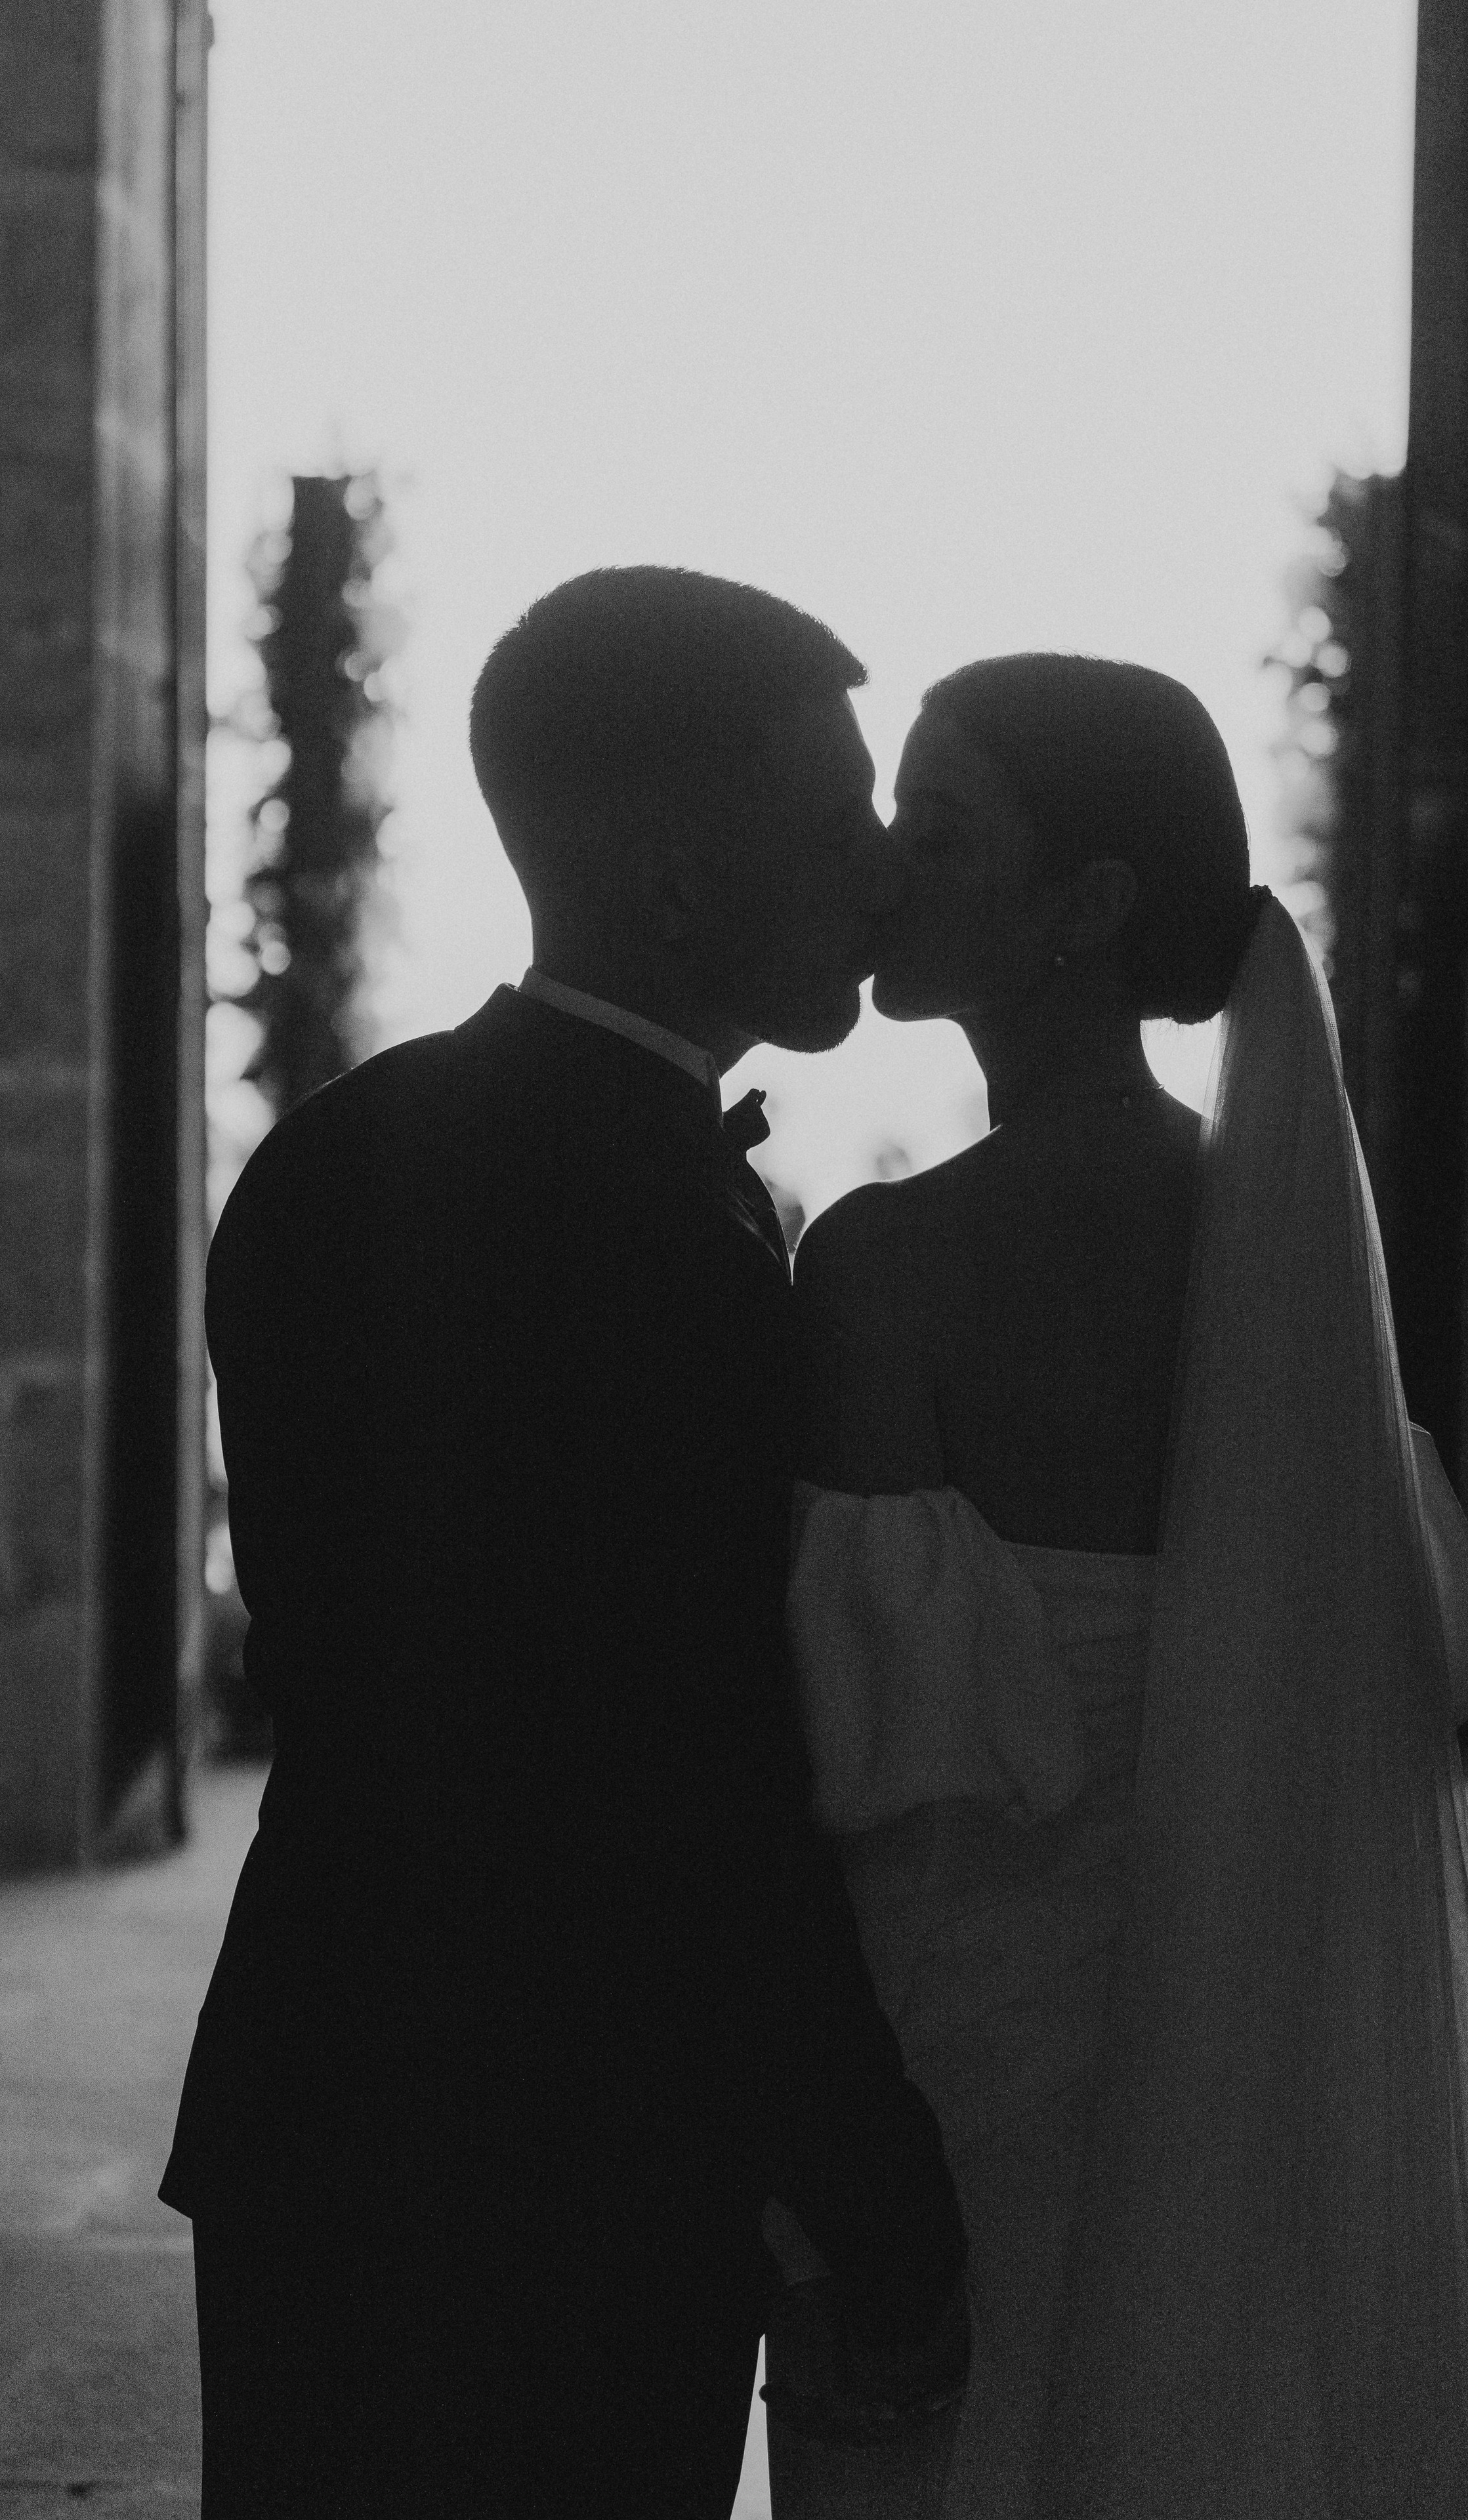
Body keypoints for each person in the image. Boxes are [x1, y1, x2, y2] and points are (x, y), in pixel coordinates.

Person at [161, 568, 969, 2519]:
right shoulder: (683, 1255)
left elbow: (349, 1666)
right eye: (839, 812)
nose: (878, 873)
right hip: (577, 2163)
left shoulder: (323, 1158)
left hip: (319, 2090)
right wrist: (855, 2142)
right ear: (681, 877)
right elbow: (685, 1764)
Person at [765, 653, 1468, 2516]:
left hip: (965, 2057)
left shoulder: (890, 1269)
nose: (889, 862)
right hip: (1246, 2040)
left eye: (941, 821)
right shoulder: (1286, 1253)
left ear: (1086, 906)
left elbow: (849, 1750)